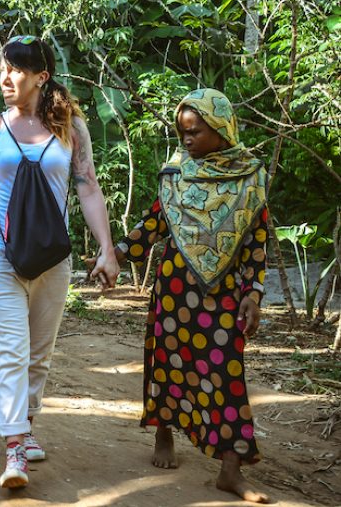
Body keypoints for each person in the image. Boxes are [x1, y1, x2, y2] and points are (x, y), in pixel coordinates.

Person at [0, 36, 119, 489]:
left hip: (53, 258)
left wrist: (107, 249)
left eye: (16, 69)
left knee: (39, 355)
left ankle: (27, 421)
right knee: (12, 353)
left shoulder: (70, 127)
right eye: (2, 68)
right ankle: (14, 445)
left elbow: (88, 187)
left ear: (41, 76)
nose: (5, 77)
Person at [99, 88, 270, 503]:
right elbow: (154, 223)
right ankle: (163, 433)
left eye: (194, 131)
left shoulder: (250, 175)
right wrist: (118, 252)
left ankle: (231, 471)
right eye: (182, 132)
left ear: (220, 128)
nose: (187, 139)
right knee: (167, 361)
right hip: (175, 287)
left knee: (227, 373)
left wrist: (255, 292)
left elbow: (257, 237)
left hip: (224, 292)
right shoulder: (176, 172)